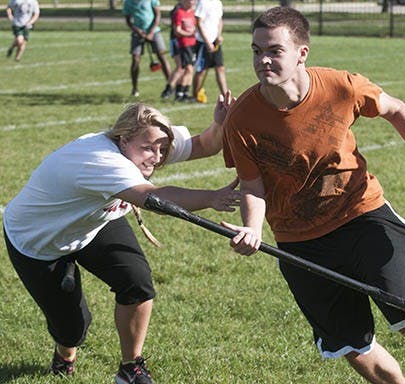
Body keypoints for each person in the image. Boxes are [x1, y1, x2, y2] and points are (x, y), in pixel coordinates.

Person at [221, 7, 405, 384]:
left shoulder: (340, 86)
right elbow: (252, 186)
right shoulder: (242, 119)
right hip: (301, 243)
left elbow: (395, 109)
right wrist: (253, 228)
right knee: (350, 343)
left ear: (301, 53)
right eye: (256, 50)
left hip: (363, 216)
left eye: (274, 50)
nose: (263, 60)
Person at [3, 92, 239, 384]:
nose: (156, 157)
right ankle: (64, 354)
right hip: (39, 241)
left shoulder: (147, 139)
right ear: (122, 139)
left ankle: (131, 367)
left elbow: (205, 144)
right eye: (148, 149)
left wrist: (221, 123)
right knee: (74, 328)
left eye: (162, 149)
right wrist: (212, 197)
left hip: (95, 223)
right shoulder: (102, 160)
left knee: (137, 283)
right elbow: (152, 198)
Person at [123, 0, 172, 98]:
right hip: (138, 33)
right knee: (135, 60)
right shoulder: (127, 2)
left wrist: (151, 32)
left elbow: (157, 15)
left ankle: (170, 86)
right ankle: (134, 88)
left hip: (154, 32)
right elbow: (128, 21)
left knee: (161, 57)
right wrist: (139, 31)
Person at [192, 0, 228, 103]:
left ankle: (225, 95)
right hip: (203, 43)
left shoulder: (218, 2)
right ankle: (195, 95)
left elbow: (219, 20)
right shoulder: (202, 2)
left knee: (220, 68)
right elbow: (198, 23)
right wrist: (207, 42)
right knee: (201, 71)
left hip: (215, 41)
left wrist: (219, 36)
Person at [171, 0, 198, 101]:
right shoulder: (179, 12)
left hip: (193, 44)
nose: (192, 2)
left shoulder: (193, 12)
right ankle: (179, 93)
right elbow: (177, 31)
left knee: (190, 70)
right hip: (184, 44)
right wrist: (190, 34)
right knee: (188, 69)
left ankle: (185, 93)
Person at [162, 0, 183, 99]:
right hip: (177, 41)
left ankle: (179, 92)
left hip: (187, 42)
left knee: (185, 68)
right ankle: (168, 90)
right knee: (180, 67)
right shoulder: (178, 9)